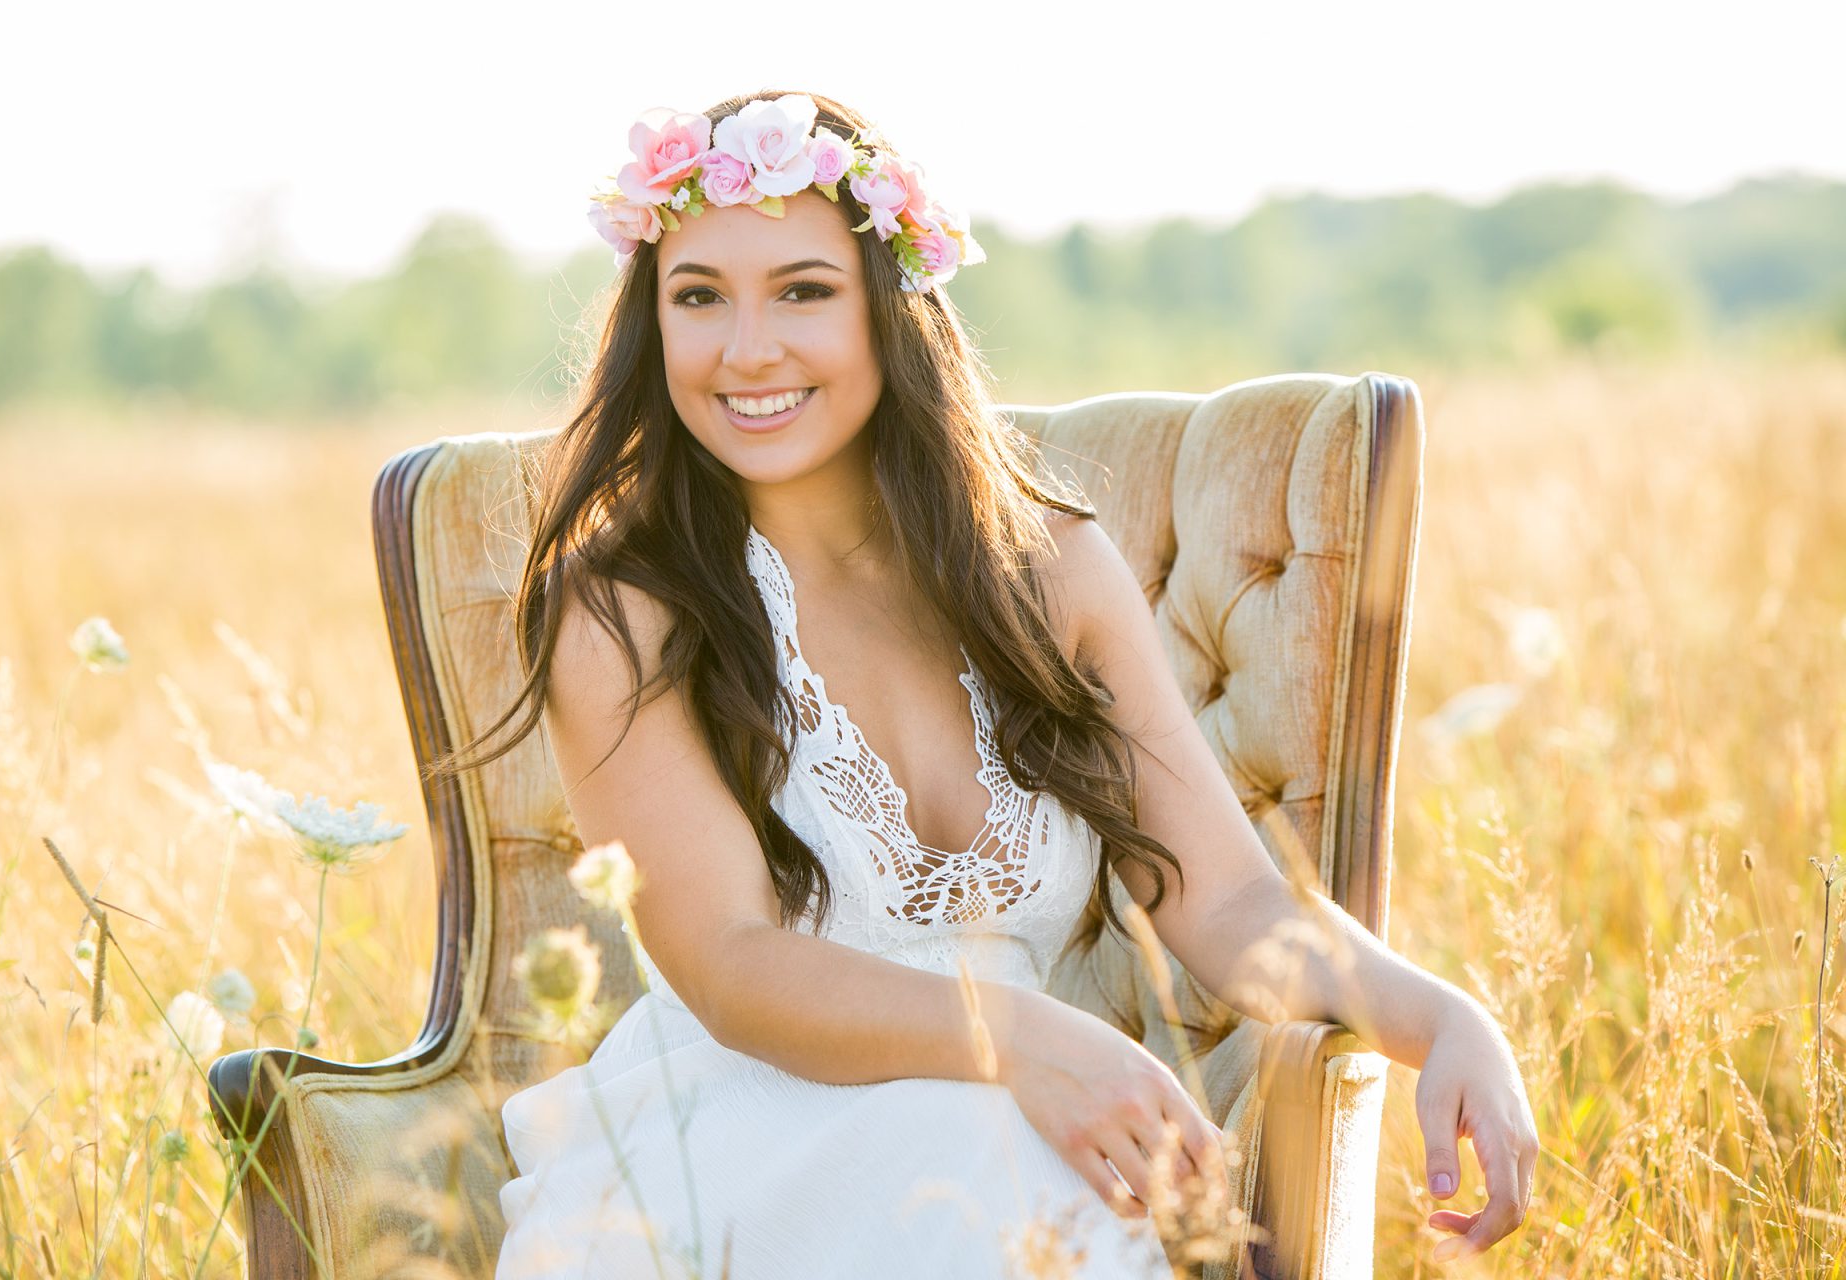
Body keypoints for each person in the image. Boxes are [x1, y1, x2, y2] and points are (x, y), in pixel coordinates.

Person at [433, 90, 1536, 1278]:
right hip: (733, 1140)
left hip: (1012, 1128)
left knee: (1020, 1179)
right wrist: (1024, 1037)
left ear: (890, 309)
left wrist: (1442, 1018)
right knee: (999, 1173)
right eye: (698, 295)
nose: (746, 347)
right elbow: (733, 965)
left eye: (803, 290)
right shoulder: (625, 607)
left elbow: (1230, 906)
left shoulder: (1056, 574)